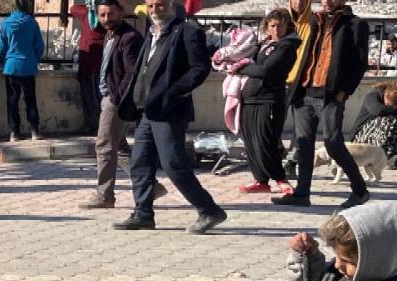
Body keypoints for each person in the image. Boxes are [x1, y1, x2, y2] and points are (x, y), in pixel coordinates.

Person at [112, 0, 227, 234]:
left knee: (173, 164)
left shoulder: (188, 30)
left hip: (169, 111)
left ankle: (209, 210)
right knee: (140, 162)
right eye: (151, 6)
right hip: (146, 110)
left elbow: (199, 68)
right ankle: (143, 213)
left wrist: (173, 93)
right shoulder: (152, 32)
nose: (155, 10)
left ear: (172, 5)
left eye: (160, 5)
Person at [273, 0, 371, 209]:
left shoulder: (355, 24)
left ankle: (360, 190)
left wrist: (345, 91)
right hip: (303, 91)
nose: (327, 1)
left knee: (333, 143)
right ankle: (302, 193)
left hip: (331, 94)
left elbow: (360, 62)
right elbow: (294, 17)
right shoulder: (313, 21)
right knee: (304, 143)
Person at [81, 0, 161, 209]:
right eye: (103, 15)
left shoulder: (129, 37)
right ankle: (150, 185)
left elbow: (132, 72)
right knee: (119, 148)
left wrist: (116, 98)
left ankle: (104, 195)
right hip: (109, 95)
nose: (107, 19)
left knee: (104, 146)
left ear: (121, 13)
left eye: (111, 14)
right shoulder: (110, 35)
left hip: (117, 100)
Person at [235, 9, 301, 195]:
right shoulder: (264, 43)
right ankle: (260, 179)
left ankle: (280, 178)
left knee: (266, 140)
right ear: (267, 26)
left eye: (281, 25)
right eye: (272, 25)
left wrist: (243, 69)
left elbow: (266, 70)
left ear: (288, 26)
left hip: (270, 99)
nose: (276, 29)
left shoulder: (288, 45)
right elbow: (251, 62)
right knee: (250, 141)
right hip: (250, 97)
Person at [0, 0, 45, 141]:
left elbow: (0, 48)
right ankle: (34, 131)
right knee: (30, 100)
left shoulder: (5, 24)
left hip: (11, 67)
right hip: (28, 66)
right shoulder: (32, 23)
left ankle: (14, 132)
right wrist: (34, 59)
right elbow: (39, 46)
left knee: (12, 100)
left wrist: (5, 59)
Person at [71, 0, 107, 134]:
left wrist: (87, 5)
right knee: (101, 95)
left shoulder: (86, 13)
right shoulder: (105, 15)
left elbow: (73, 8)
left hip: (87, 61)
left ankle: (93, 125)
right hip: (102, 61)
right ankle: (102, 126)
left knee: (88, 95)